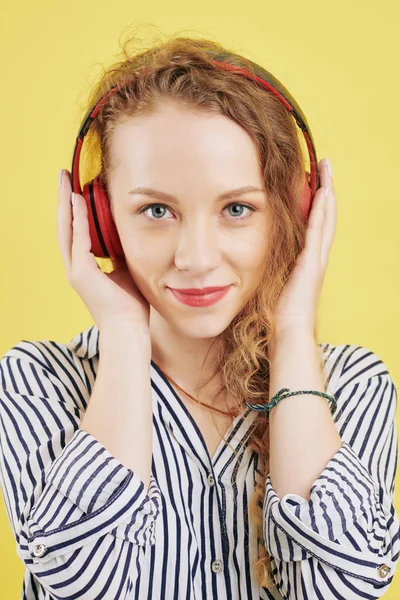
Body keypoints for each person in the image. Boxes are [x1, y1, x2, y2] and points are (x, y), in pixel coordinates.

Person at [0, 32, 399, 600]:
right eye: (156, 210)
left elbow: (345, 587)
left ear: (290, 216)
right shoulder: (37, 383)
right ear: (99, 219)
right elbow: (79, 585)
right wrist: (124, 333)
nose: (196, 259)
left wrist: (292, 335)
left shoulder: (351, 387)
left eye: (238, 209)